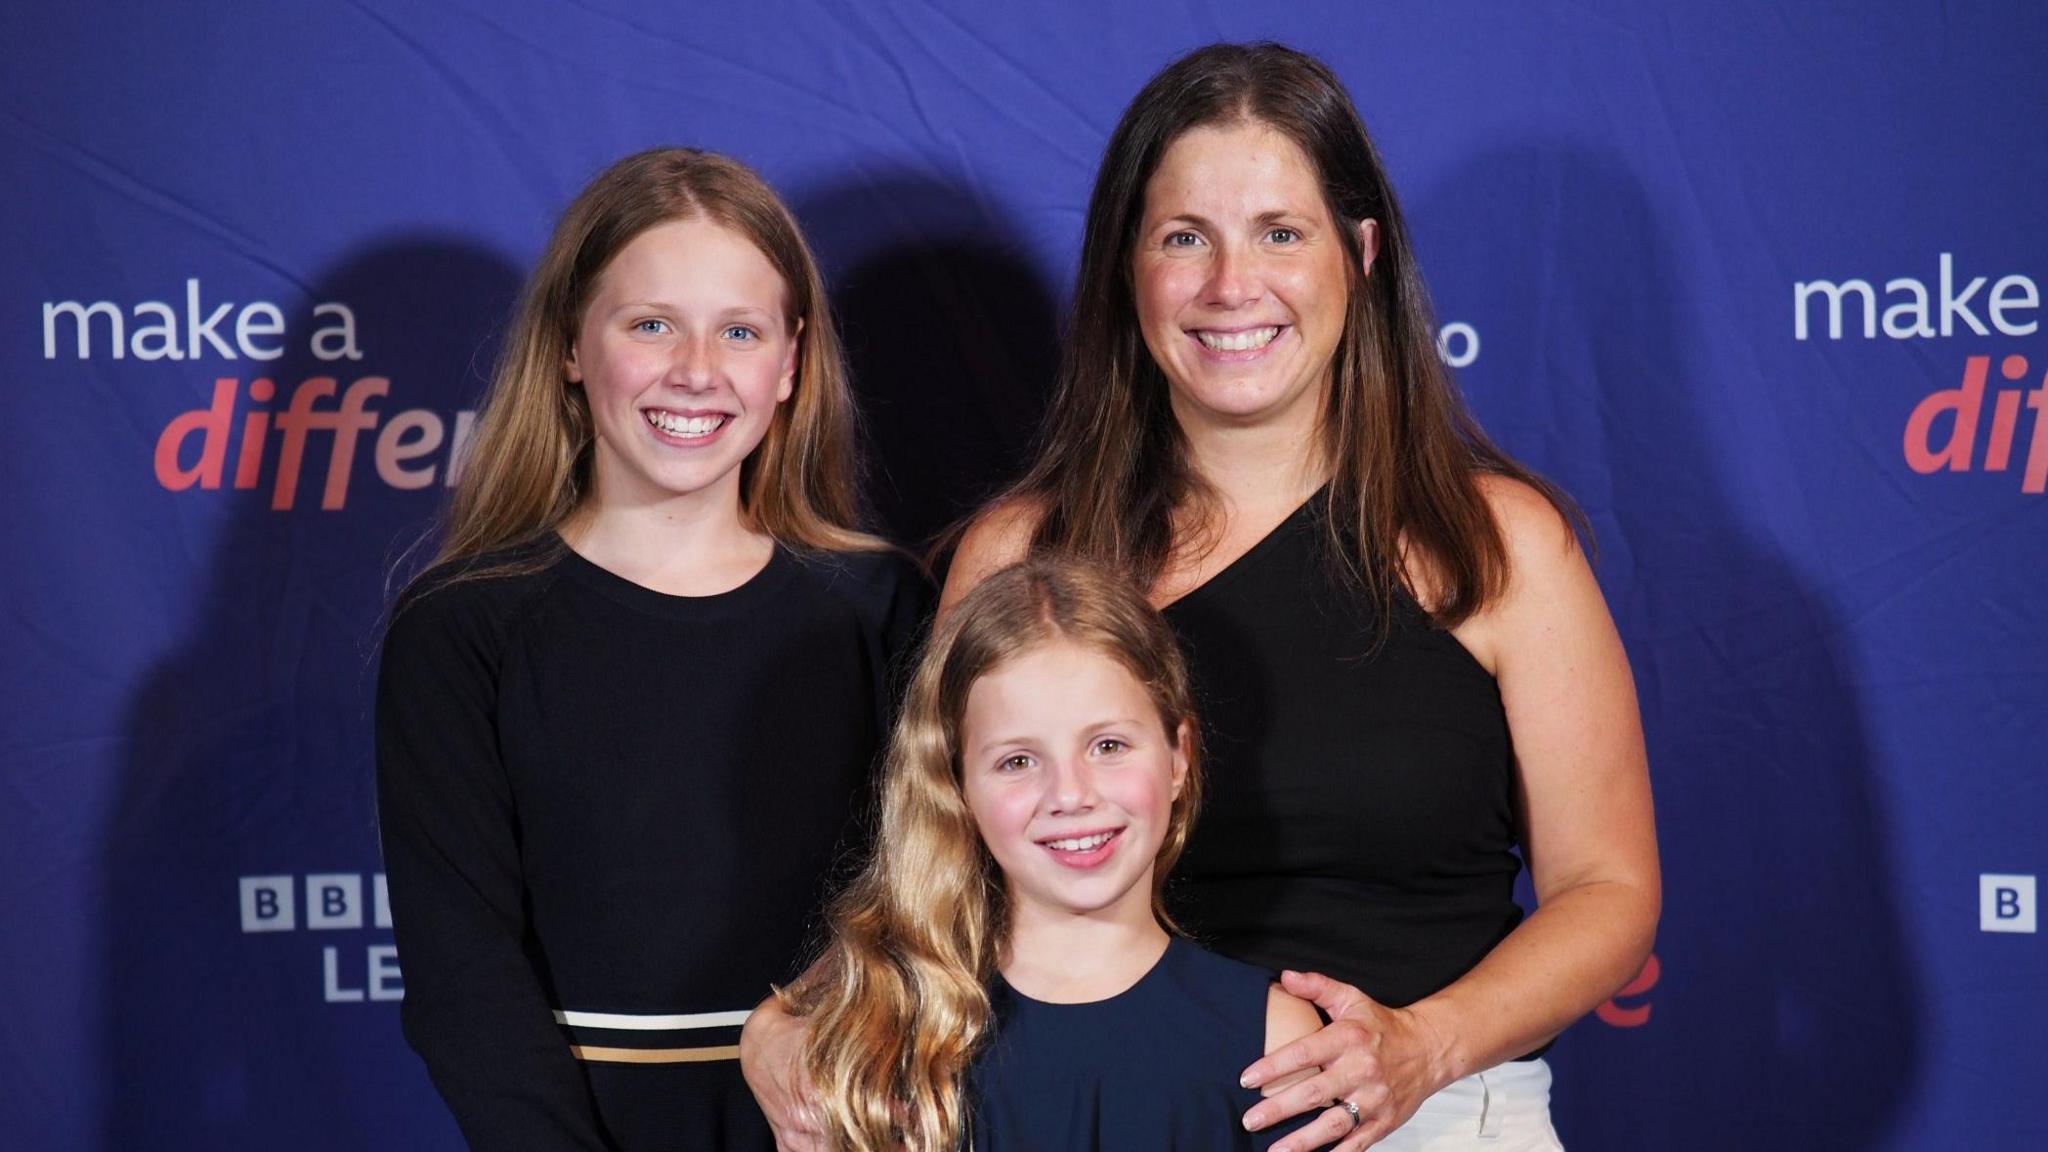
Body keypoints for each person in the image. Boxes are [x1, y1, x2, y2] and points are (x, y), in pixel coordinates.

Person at [745, 43, 1658, 1152]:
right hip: (1080, 1113)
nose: (1233, 286)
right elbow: (934, 861)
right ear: (1128, 269)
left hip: (1419, 1121)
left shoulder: (1495, 545)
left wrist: (1423, 1046)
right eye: (1185, 238)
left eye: (1280, 232)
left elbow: (1606, 889)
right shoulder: (1020, 554)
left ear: (1359, 256)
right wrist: (792, 1018)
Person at [377, 148, 931, 1151]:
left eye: (738, 331)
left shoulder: (880, 606)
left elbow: (928, 897)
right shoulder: (461, 629)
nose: (696, 372)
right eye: (650, 325)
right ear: (569, 347)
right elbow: (464, 978)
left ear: (791, 361)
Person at [789, 558, 1320, 1151]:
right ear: (957, 784)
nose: (1070, 795)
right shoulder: (884, 1039)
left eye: (1108, 745)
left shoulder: (1274, 1043)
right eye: (1018, 761)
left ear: (1178, 755)